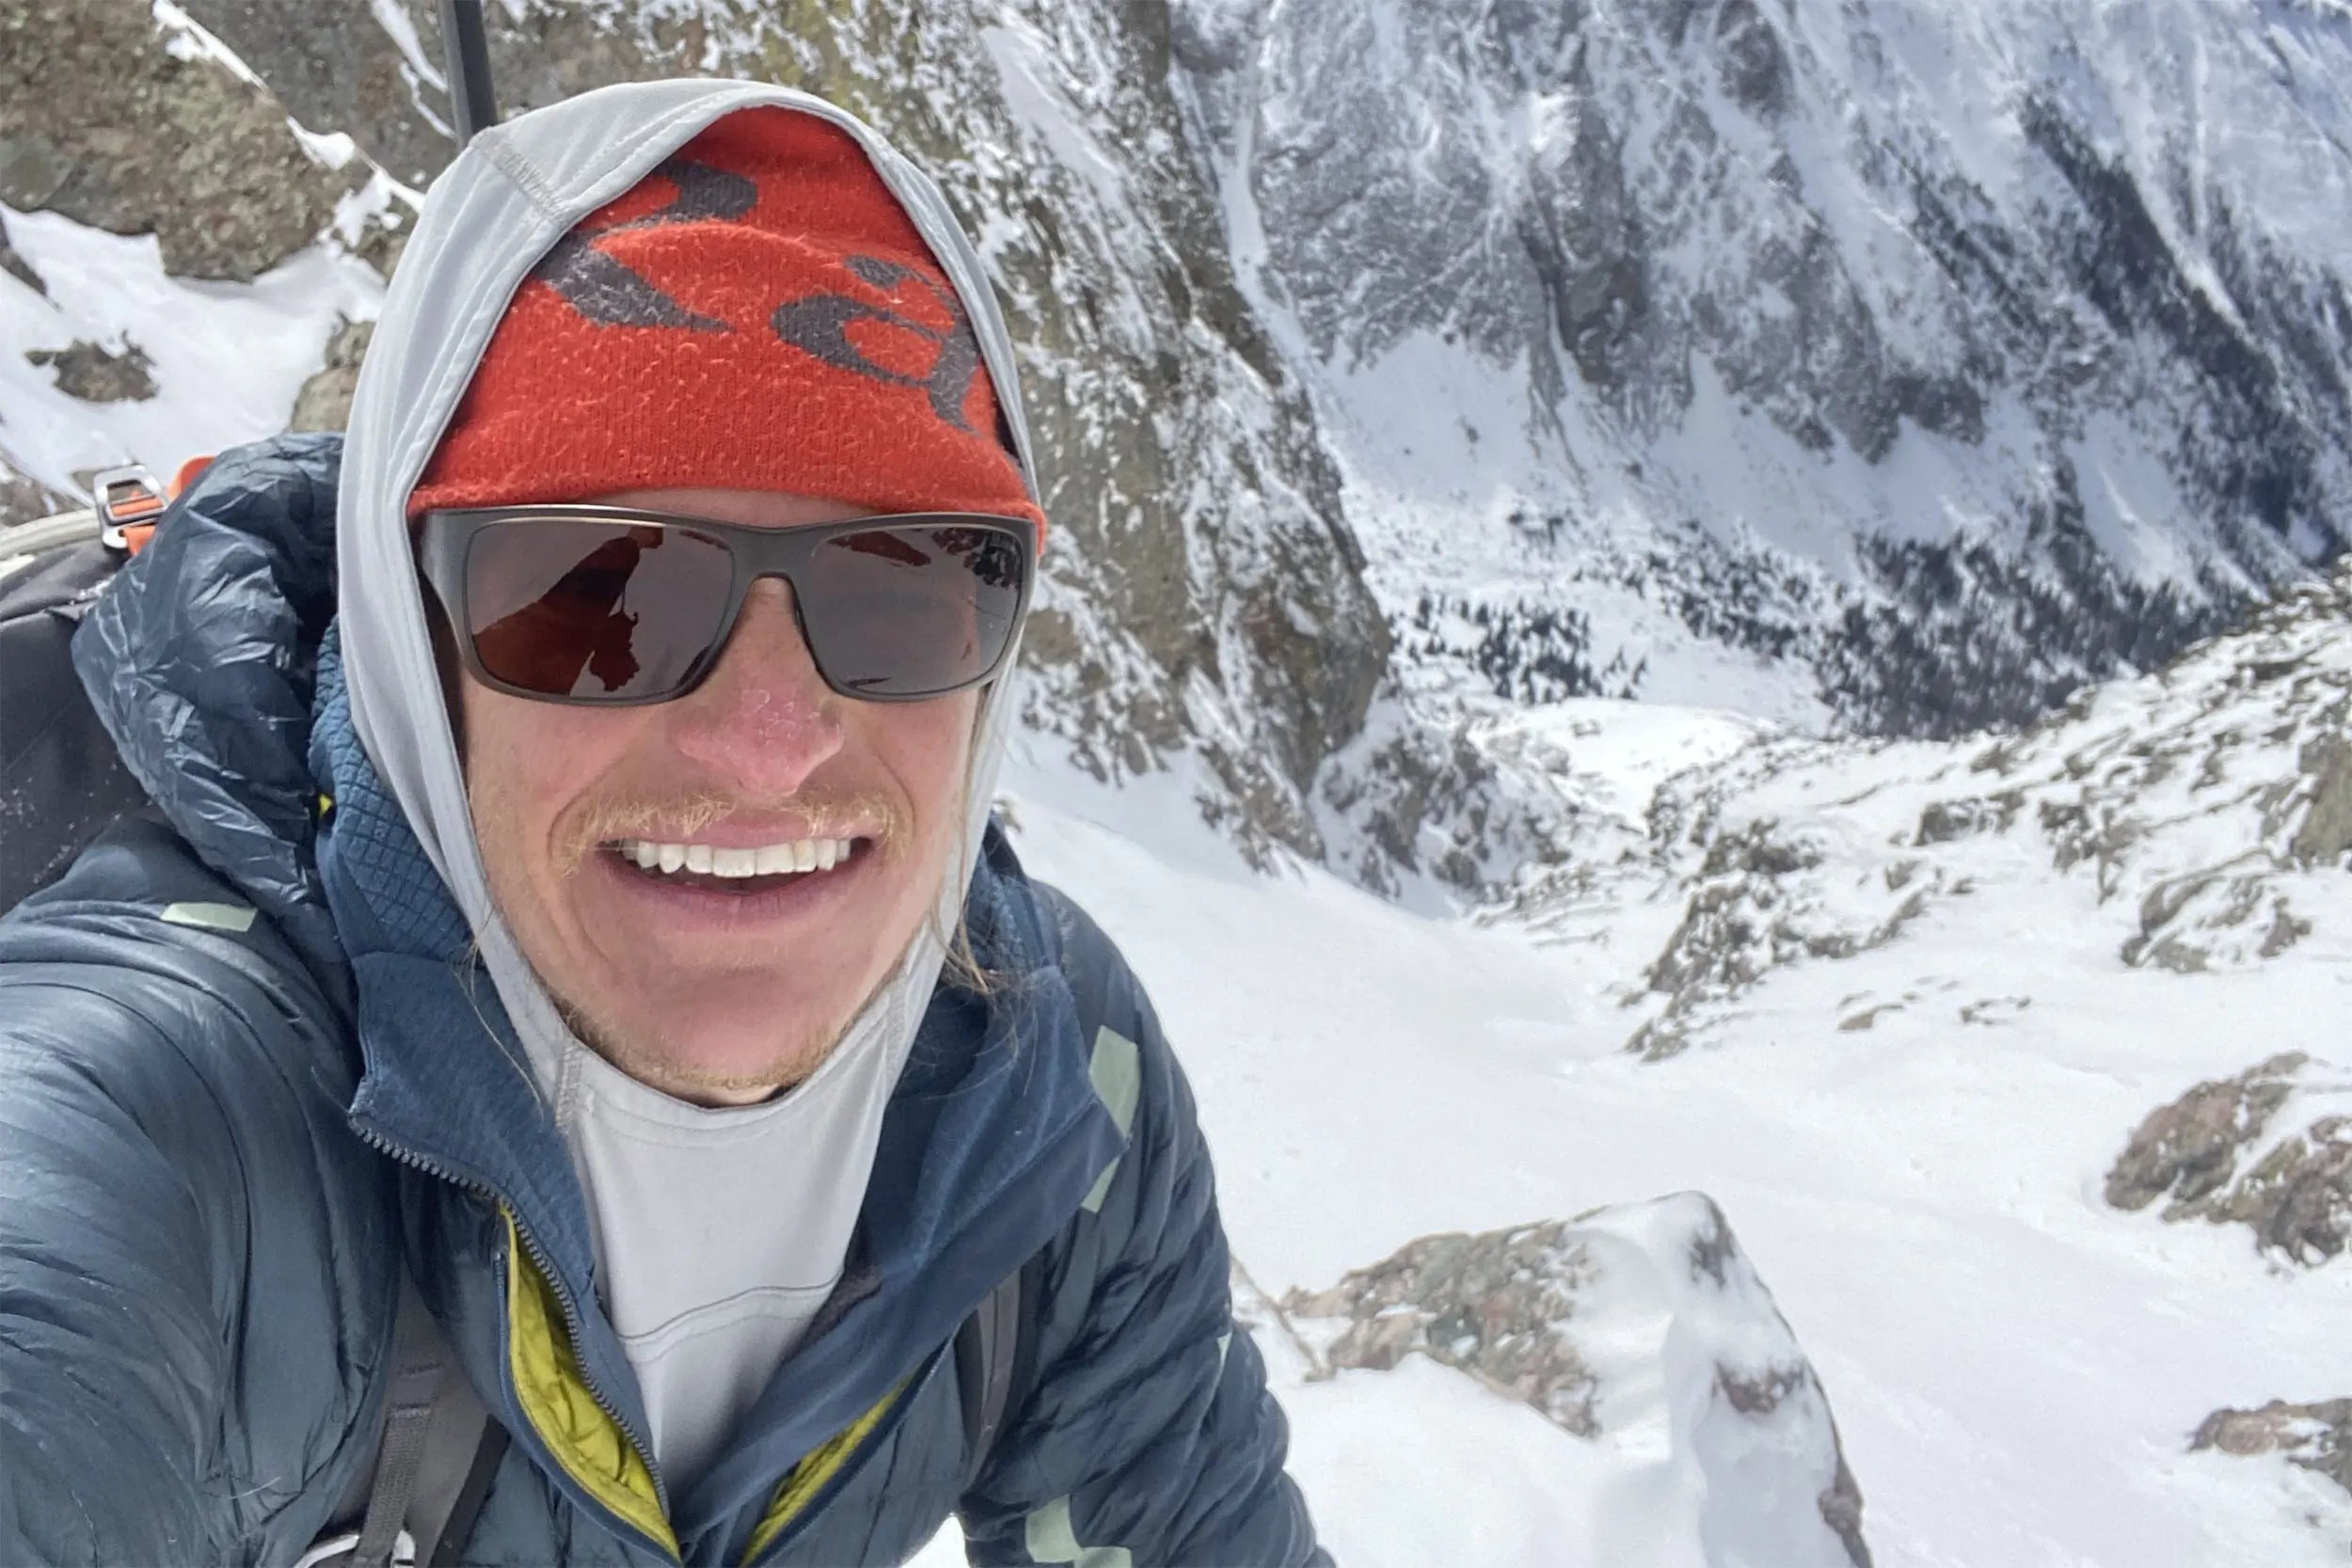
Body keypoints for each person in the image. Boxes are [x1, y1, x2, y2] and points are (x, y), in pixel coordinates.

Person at [0, 80, 1327, 1566]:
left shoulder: (1048, 1088)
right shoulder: (178, 1133)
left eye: (904, 583)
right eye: (596, 594)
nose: (770, 742)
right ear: (408, 640)